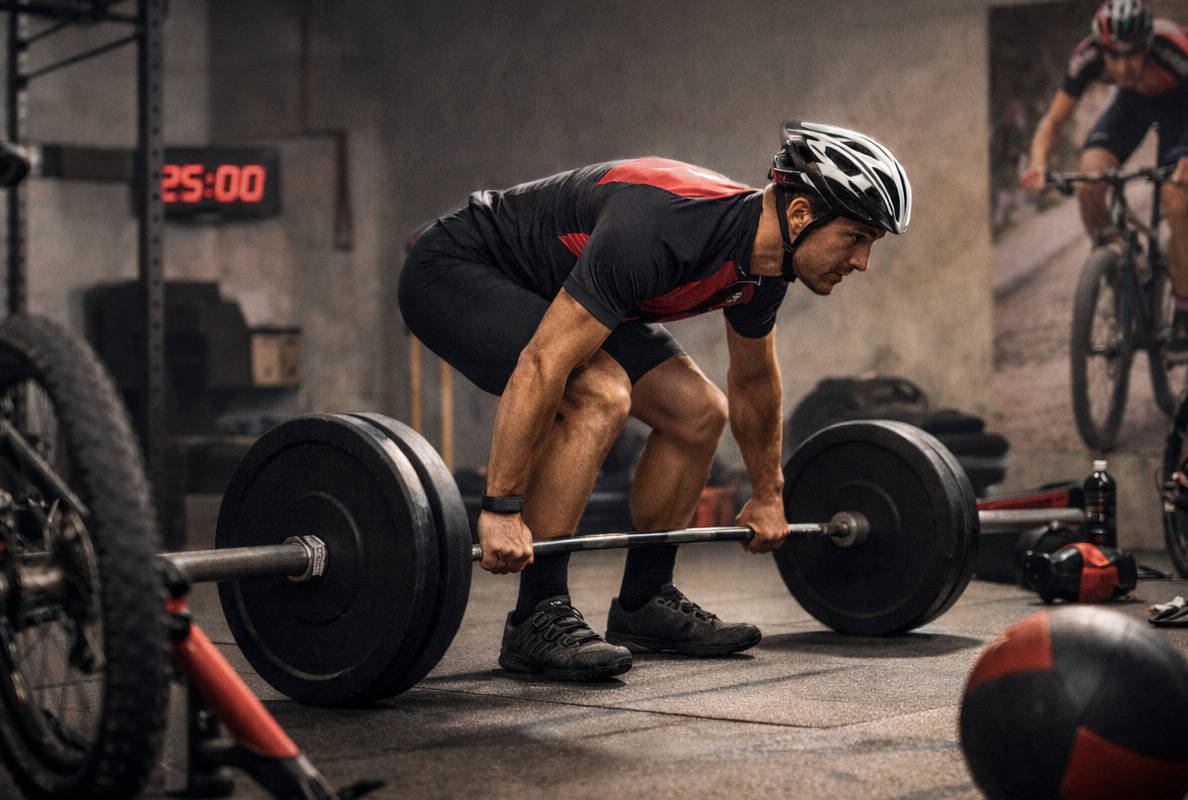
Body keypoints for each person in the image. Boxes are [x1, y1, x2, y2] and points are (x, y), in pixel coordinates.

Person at [398, 120, 911, 681]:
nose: (861, 262)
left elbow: (754, 384)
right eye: (856, 238)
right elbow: (543, 362)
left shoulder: (765, 268)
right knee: (598, 394)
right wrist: (500, 508)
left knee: (699, 412)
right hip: (455, 269)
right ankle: (536, 615)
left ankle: (644, 601)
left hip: (565, 284)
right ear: (799, 215)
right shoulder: (664, 227)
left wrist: (768, 493)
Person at [1020, 0, 1188, 347]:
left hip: (1180, 107)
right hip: (1130, 105)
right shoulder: (1087, 57)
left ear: (1147, 46)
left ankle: (1184, 310)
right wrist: (1038, 165)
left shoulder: (1174, 49)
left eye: (1132, 56)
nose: (1123, 67)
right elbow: (1052, 122)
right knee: (1090, 182)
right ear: (1102, 50)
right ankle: (1119, 263)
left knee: (1176, 201)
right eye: (1114, 56)